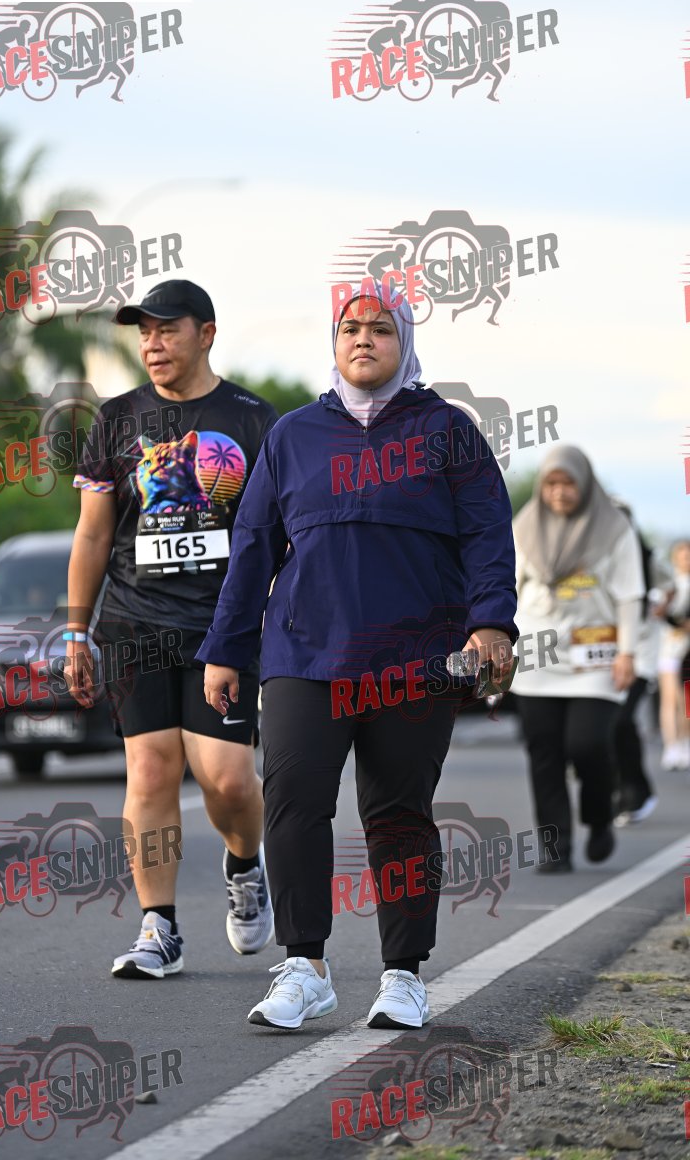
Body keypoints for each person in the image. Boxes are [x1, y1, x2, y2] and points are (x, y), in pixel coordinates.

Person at [197, 281, 517, 1030]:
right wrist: (227, 649)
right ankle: (304, 967)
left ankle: (403, 975)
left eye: (380, 327)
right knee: (293, 800)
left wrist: (491, 623)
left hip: (416, 657)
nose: (363, 338)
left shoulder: (448, 431)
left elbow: (487, 533)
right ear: (334, 343)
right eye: (350, 327)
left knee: (398, 812)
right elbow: (253, 546)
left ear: (405, 341)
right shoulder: (294, 436)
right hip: (304, 653)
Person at [66, 279, 277, 978]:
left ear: (206, 333)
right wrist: (76, 631)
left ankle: (245, 865)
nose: (152, 344)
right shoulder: (117, 419)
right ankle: (159, 928)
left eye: (167, 329)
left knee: (228, 778)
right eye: (144, 332)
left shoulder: (253, 420)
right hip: (135, 621)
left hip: (224, 626)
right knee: (151, 769)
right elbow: (93, 535)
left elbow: (278, 534)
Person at [513, 448, 644, 872]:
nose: (559, 492)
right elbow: (505, 588)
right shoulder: (524, 527)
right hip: (537, 657)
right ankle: (556, 847)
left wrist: (628, 652)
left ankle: (599, 815)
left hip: (595, 657)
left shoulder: (614, 529)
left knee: (587, 745)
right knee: (545, 754)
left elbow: (629, 596)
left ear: (584, 484)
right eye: (551, 483)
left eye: (568, 483)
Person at [610, 503, 666, 825]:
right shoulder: (597, 555)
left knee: (620, 720)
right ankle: (617, 788)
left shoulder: (648, 558)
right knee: (603, 727)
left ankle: (635, 790)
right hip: (606, 654)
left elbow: (670, 587)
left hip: (641, 653)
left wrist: (662, 606)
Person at [654, 539, 690, 771]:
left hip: (688, 650)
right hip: (668, 648)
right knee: (669, 699)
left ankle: (685, 742)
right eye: (682, 555)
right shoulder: (667, 585)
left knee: (686, 700)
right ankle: (671, 745)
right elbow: (659, 613)